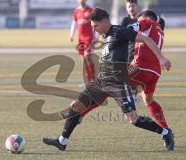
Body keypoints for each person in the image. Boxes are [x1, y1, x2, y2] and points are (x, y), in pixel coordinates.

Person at [43, 8, 174, 151]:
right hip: (102, 80)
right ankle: (62, 141)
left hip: (118, 82)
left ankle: (165, 132)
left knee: (133, 119)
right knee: (75, 106)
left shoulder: (120, 31)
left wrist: (161, 58)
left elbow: (145, 38)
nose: (94, 30)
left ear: (105, 22)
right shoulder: (106, 35)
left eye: (95, 26)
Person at [128, 10, 171, 131]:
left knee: (109, 83)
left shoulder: (146, 22)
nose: (138, 22)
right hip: (155, 72)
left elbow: (130, 28)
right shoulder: (160, 31)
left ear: (145, 17)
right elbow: (148, 49)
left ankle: (132, 96)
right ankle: (166, 129)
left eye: (139, 19)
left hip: (141, 68)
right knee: (149, 100)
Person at [70, 0, 96, 83]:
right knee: (84, 60)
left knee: (87, 56)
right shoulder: (76, 11)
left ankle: (93, 77)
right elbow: (74, 23)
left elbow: (95, 23)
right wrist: (71, 35)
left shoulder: (90, 10)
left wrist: (96, 36)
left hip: (89, 37)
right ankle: (89, 79)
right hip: (80, 38)